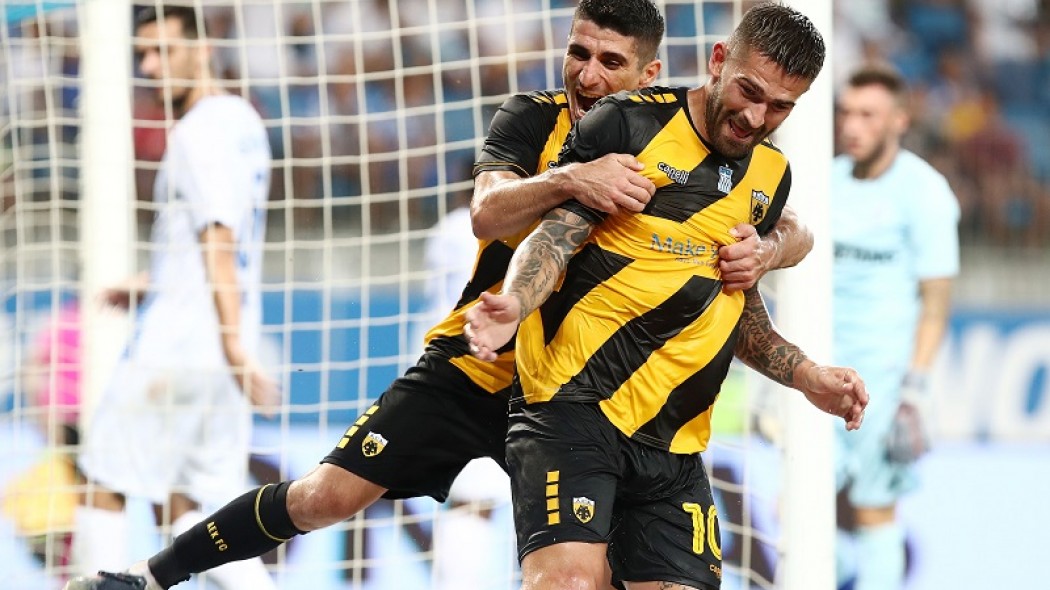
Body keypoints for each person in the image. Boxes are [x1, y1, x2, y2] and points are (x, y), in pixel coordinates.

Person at [64, 2, 819, 589]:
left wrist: (779, 247)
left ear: (648, 73)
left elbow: (770, 224)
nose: (587, 75)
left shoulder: (683, 143)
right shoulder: (531, 118)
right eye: (578, 53)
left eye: (610, 62)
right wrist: (571, 178)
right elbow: (487, 212)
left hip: (579, 394)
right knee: (327, 496)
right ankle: (151, 575)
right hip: (478, 360)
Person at [464, 4, 868, 589]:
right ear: (718, 60)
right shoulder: (629, 123)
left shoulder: (770, 175)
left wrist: (807, 375)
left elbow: (734, 303)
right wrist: (515, 301)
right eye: (750, 91)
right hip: (571, 408)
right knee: (570, 583)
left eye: (780, 106)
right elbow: (557, 234)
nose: (756, 116)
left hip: (674, 443)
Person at [69, 6, 278, 590]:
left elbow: (218, 237)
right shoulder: (245, 122)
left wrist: (232, 346)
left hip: (178, 347)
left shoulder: (196, 132)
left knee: (103, 479)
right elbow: (212, 242)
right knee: (191, 509)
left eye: (164, 51)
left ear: (203, 48)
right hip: (219, 348)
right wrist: (152, 282)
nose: (150, 66)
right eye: (143, 54)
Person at [831, 64, 959, 590]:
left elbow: (936, 303)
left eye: (868, 115)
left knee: (875, 511)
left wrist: (915, 387)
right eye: (846, 113)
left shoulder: (925, 192)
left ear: (899, 121)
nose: (852, 126)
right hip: (818, 375)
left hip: (880, 382)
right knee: (800, 506)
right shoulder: (826, 181)